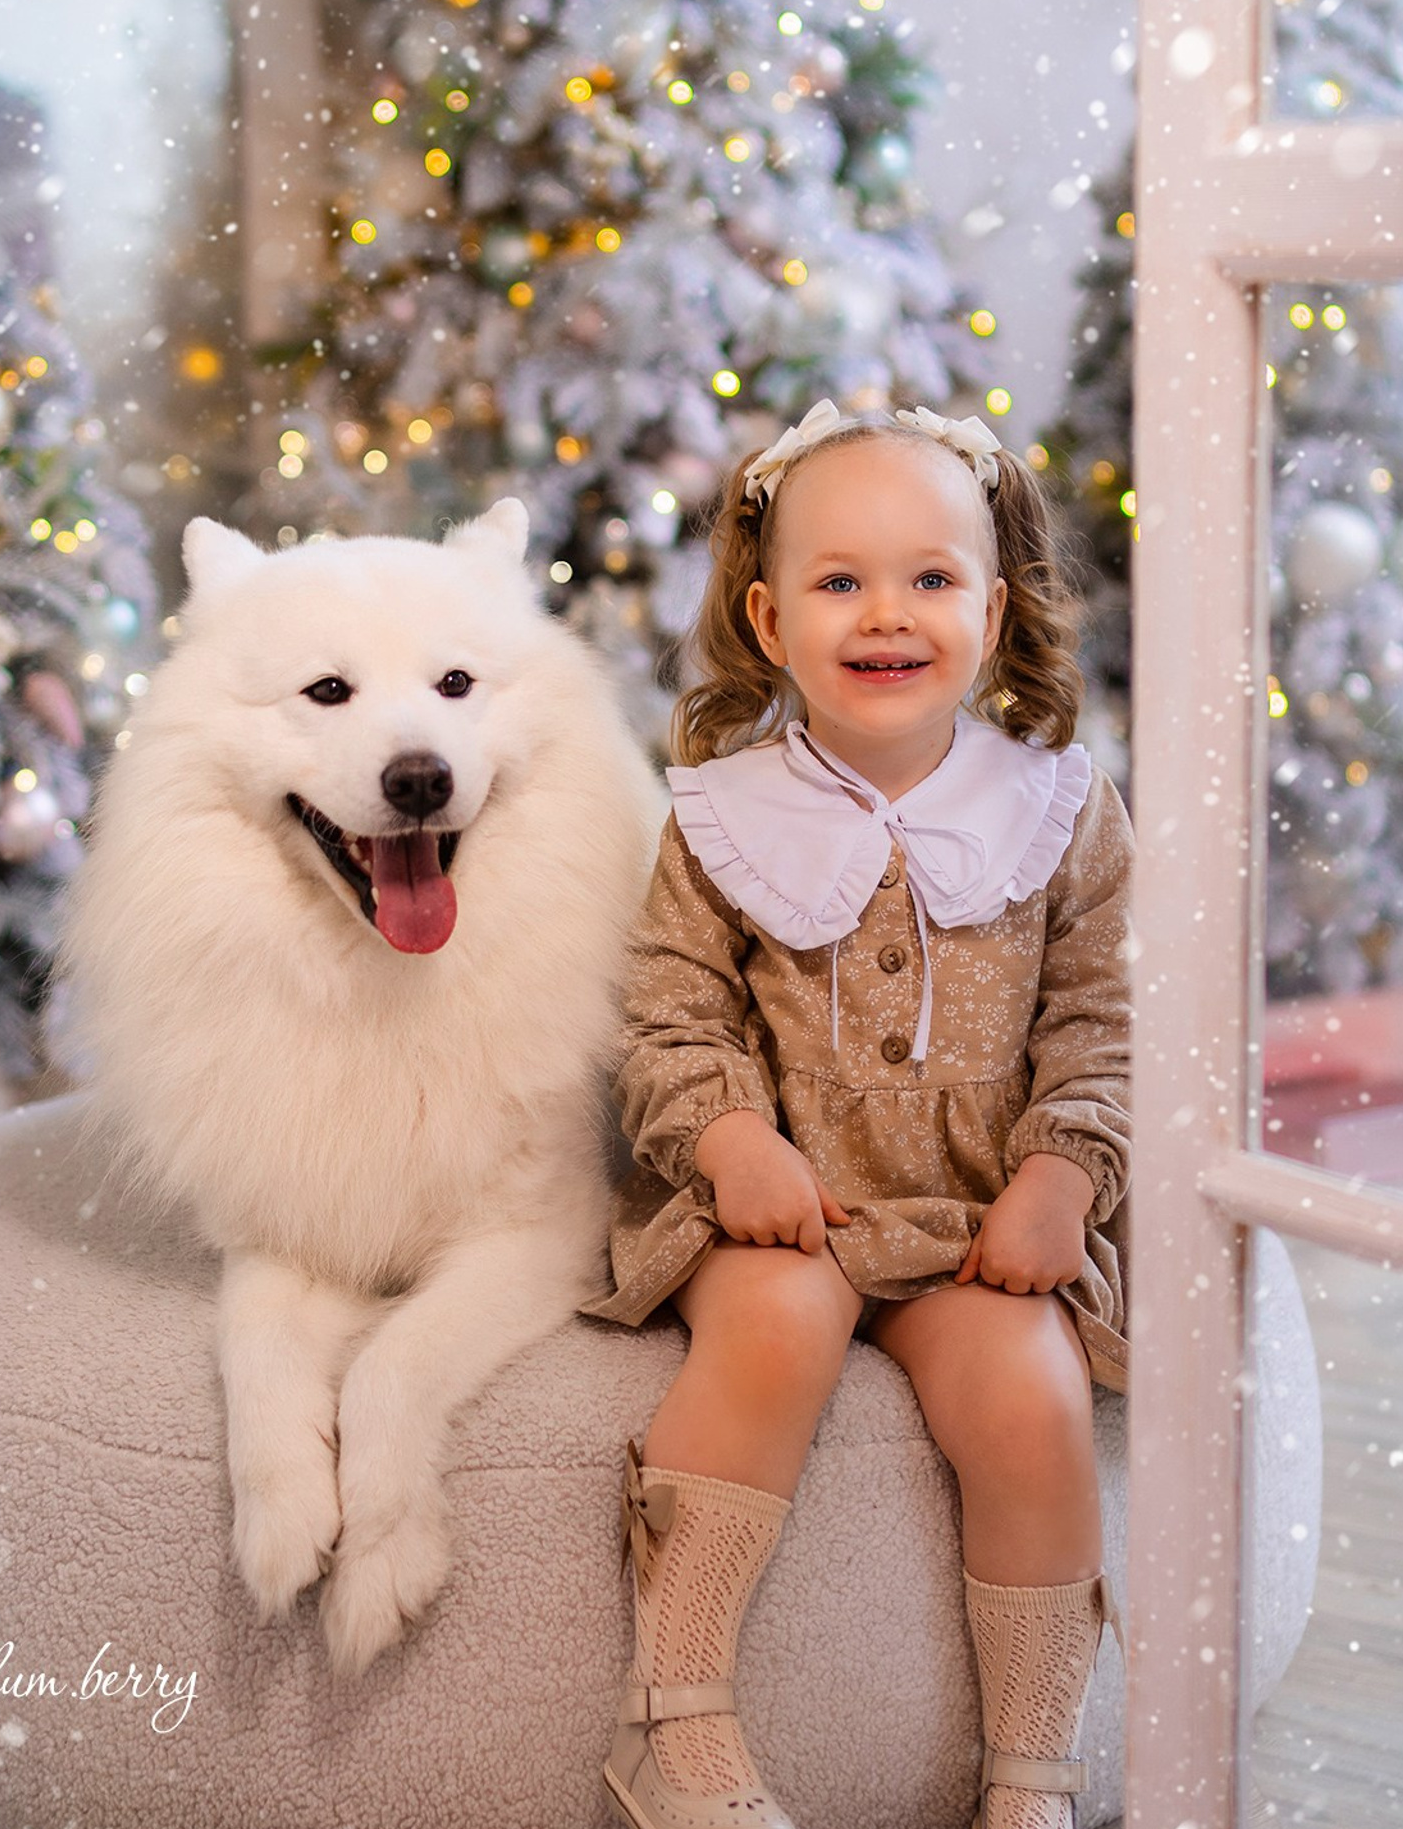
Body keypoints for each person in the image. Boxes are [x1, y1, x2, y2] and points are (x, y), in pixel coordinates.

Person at [578, 397, 1133, 1829]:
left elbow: (1106, 1021)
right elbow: (671, 1015)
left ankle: (1034, 1769)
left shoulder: (1063, 809)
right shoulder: (717, 817)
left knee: (1031, 1391)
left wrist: (1062, 1177)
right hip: (787, 1209)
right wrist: (727, 1140)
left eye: (932, 579)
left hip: (973, 1222)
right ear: (769, 620)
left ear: (995, 609)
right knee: (779, 1322)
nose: (888, 615)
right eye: (840, 582)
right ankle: (673, 1711)